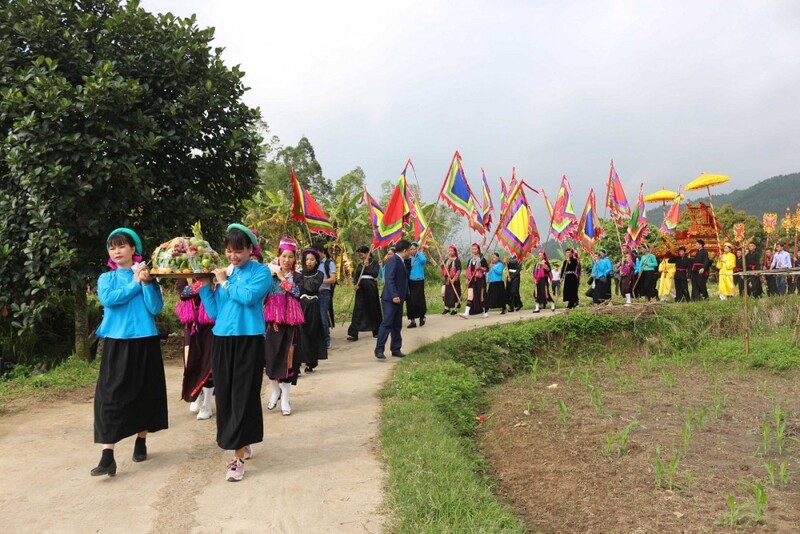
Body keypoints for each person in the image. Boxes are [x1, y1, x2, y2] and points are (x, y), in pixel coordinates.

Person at [91, 228, 168, 477]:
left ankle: (141, 440)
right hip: (117, 342)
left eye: (122, 246)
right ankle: (107, 456)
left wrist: (146, 282)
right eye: (112, 247)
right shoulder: (106, 278)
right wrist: (135, 284)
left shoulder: (148, 276)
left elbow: (155, 307)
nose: (117, 251)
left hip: (145, 340)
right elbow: (109, 299)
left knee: (144, 393)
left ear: (133, 250)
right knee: (109, 398)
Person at [199, 223, 271, 482]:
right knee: (227, 395)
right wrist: (207, 287)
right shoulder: (225, 276)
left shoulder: (261, 273)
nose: (233, 256)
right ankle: (242, 439)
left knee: (244, 395)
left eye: (239, 251)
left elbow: (249, 297)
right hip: (222, 341)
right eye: (229, 251)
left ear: (250, 249)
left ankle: (237, 458)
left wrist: (224, 282)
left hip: (248, 340)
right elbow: (215, 313)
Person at [264, 237, 305, 416]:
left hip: (291, 324)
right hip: (272, 322)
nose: (287, 260)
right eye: (284, 256)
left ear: (295, 259)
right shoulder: (268, 274)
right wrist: (274, 274)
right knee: (270, 358)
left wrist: (282, 278)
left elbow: (297, 292)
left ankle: (286, 397)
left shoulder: (298, 277)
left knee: (289, 359)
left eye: (290, 257)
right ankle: (275, 390)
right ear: (278, 256)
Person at [175, 278, 215, 421]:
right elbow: (183, 293)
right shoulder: (184, 276)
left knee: (208, 363)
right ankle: (197, 394)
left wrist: (208, 282)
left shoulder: (214, 274)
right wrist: (203, 283)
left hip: (211, 326)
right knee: (190, 363)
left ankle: (207, 404)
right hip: (192, 326)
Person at [374, 239, 412, 359]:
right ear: (405, 250)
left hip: (399, 299)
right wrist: (394, 295)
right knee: (387, 323)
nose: (411, 252)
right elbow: (389, 279)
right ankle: (379, 349)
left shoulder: (402, 261)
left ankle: (396, 348)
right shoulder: (393, 260)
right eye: (410, 250)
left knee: (397, 325)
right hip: (391, 298)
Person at [298, 248, 327, 372]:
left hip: (313, 306)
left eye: (312, 259)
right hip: (300, 305)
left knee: (312, 333)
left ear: (316, 261)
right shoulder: (298, 273)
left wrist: (300, 279)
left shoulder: (319, 274)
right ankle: (297, 363)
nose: (309, 262)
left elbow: (311, 287)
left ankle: (311, 362)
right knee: (300, 334)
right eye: (307, 259)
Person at [347, 245, 382, 341]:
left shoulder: (374, 263)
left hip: (370, 287)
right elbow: (356, 276)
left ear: (367, 253)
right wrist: (355, 284)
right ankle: (354, 333)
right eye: (359, 255)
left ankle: (376, 330)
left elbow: (375, 273)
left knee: (373, 307)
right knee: (358, 309)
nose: (360, 256)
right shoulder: (359, 265)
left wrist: (366, 267)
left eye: (361, 254)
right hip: (361, 288)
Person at [313, 243, 337, 349]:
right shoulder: (313, 263)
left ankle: (326, 340)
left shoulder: (329, 263)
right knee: (314, 317)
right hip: (313, 294)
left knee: (323, 317)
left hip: (324, 294)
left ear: (321, 252)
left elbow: (333, 279)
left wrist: (319, 281)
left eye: (316, 252)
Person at [461, 243, 489, 317]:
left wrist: (480, 268)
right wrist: (467, 279)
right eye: (473, 249)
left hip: (480, 280)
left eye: (475, 249)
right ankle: (466, 313)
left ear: (478, 250)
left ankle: (484, 311)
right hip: (472, 280)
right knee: (470, 295)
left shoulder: (482, 259)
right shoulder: (470, 260)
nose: (474, 250)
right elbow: (468, 270)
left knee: (481, 296)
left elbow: (487, 269)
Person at [406, 241, 427, 328]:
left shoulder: (420, 257)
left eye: (414, 249)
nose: (412, 250)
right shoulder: (407, 258)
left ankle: (422, 317)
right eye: (410, 249)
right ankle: (412, 320)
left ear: (417, 249)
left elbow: (424, 260)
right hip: (410, 281)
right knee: (410, 301)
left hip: (419, 281)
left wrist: (419, 252)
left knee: (418, 300)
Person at [441, 244, 462, 315]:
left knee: (454, 294)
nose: (450, 252)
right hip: (447, 280)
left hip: (454, 281)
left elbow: (459, 270)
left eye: (451, 251)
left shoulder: (457, 260)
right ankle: (447, 308)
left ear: (455, 252)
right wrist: (442, 265)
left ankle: (454, 309)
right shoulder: (447, 260)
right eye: (449, 251)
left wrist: (454, 278)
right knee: (446, 293)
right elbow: (444, 269)